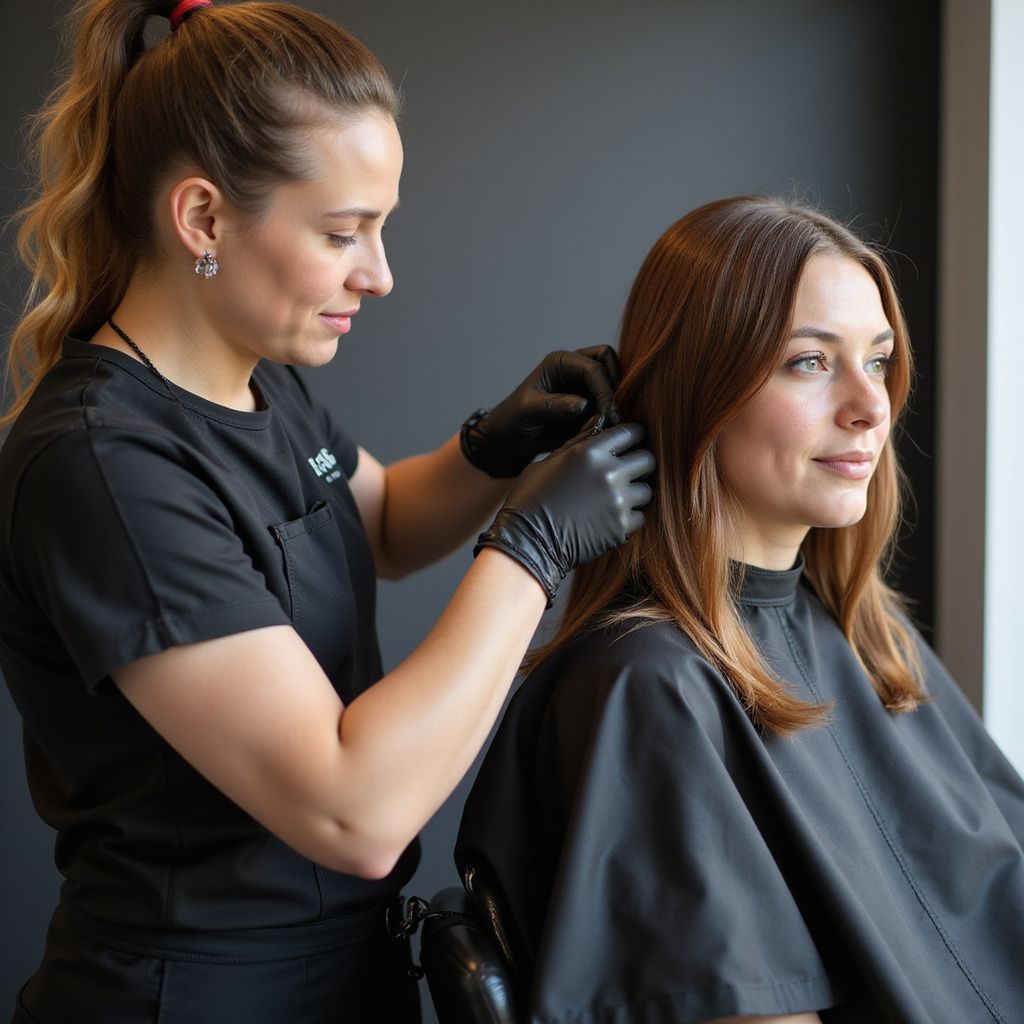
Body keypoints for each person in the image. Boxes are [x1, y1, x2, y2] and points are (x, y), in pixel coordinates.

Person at [0, 1, 656, 1021]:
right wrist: (531, 543)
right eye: (343, 232)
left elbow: (384, 523)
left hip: (340, 981)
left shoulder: (256, 380)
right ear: (204, 219)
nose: (380, 274)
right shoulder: (103, 467)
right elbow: (356, 811)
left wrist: (495, 448)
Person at [456, 197, 1024, 1024]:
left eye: (879, 358)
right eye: (809, 362)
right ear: (699, 390)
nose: (872, 406)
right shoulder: (649, 689)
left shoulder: (871, 637)